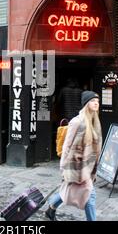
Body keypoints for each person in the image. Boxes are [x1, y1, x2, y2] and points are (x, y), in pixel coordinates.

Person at [45, 91, 102, 221]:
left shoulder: (94, 121)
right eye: (93, 101)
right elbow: (67, 146)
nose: (96, 104)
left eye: (97, 101)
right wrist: (64, 168)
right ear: (86, 104)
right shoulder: (77, 122)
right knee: (90, 196)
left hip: (88, 165)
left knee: (69, 189)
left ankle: (51, 208)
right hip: (77, 166)